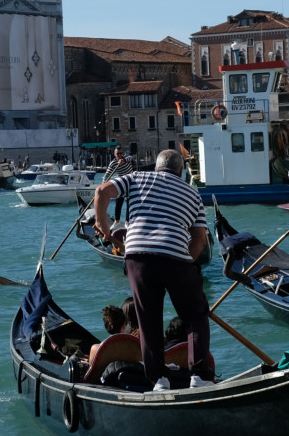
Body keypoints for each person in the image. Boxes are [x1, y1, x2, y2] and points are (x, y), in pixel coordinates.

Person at [92, 148, 214, 390]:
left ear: (156, 167)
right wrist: (185, 264)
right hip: (176, 259)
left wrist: (102, 224)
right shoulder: (192, 193)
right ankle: (199, 377)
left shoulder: (136, 177)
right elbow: (199, 240)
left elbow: (102, 191)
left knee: (148, 320)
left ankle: (159, 380)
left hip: (138, 258)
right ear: (181, 171)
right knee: (196, 317)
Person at [104, 145, 136, 221]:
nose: (119, 155)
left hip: (131, 182)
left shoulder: (127, 158)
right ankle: (117, 221)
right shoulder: (113, 164)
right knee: (119, 201)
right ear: (114, 154)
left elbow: (131, 157)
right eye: (117, 153)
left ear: (123, 153)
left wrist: (123, 160)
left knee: (129, 203)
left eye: (121, 153)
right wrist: (104, 185)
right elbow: (107, 175)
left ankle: (127, 222)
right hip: (121, 183)